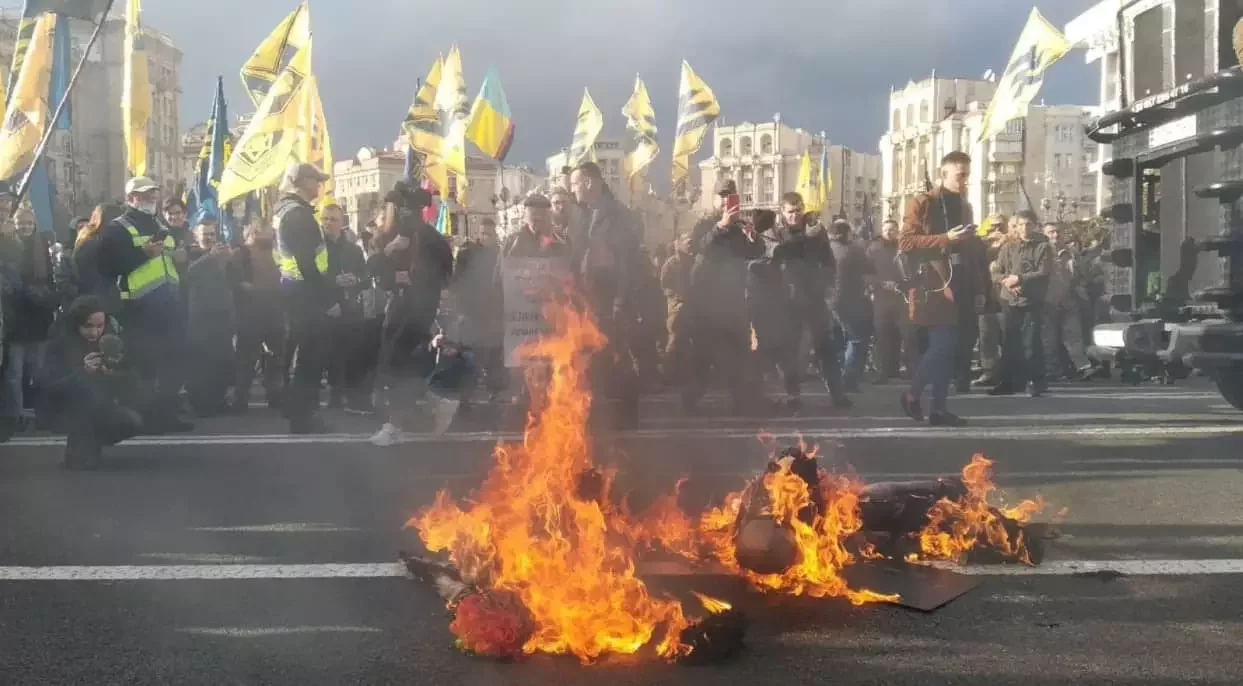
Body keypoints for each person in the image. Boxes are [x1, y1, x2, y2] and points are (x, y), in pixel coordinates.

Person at [94, 177, 193, 432]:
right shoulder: (117, 228)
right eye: (143, 195)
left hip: (169, 306)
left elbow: (167, 261)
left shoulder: (160, 225)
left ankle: (166, 415)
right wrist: (142, 255)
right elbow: (107, 267)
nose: (150, 199)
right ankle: (147, 418)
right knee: (146, 368)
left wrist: (181, 259)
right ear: (130, 199)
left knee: (172, 364)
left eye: (152, 194)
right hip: (139, 309)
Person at [898, 151, 983, 426]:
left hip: (959, 283)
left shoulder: (965, 205)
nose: (965, 181)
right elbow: (907, 243)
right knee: (942, 345)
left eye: (967, 175)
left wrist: (980, 286)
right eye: (960, 175)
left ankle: (938, 409)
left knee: (950, 348)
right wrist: (946, 238)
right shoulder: (923, 202)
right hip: (931, 285)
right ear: (944, 174)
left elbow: (971, 250)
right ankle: (912, 395)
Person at [569, 161, 644, 428]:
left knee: (617, 355)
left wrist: (620, 302)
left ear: (589, 182)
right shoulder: (580, 214)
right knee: (590, 359)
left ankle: (627, 419)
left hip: (612, 300)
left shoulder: (619, 216)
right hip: (586, 300)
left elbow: (628, 263)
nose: (572, 190)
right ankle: (597, 417)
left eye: (575, 184)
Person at [763, 192, 852, 412]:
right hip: (787, 299)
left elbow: (828, 260)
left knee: (826, 346)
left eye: (798, 210)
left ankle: (837, 393)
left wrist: (828, 283)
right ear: (782, 212)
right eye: (790, 211)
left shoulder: (815, 229)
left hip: (814, 296)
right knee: (790, 350)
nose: (795, 216)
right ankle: (793, 394)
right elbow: (777, 253)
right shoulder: (773, 231)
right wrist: (805, 238)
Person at [38, 295, 144, 469]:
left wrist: (113, 373)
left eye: (99, 326)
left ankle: (89, 443)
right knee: (81, 462)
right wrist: (83, 372)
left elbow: (132, 382)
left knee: (132, 420)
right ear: (76, 323)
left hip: (99, 406)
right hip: (65, 409)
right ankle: (79, 446)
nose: (94, 332)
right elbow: (49, 387)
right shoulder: (59, 345)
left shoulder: (110, 342)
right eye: (88, 326)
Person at [274, 163, 336, 433]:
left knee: (300, 354)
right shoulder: (297, 214)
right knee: (309, 357)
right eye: (315, 181)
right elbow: (306, 262)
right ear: (300, 182)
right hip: (305, 293)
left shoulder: (286, 210)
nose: (318, 187)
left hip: (294, 290)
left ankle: (295, 408)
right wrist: (326, 299)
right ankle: (303, 415)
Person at [1, 208, 54, 432]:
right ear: (14, 224)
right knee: (14, 374)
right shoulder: (7, 246)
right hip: (15, 320)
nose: (25, 227)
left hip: (38, 318)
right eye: (21, 223)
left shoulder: (41, 247)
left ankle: (39, 413)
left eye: (29, 224)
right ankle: (16, 415)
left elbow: (50, 279)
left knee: (38, 371)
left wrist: (47, 297)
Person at [990, 209, 1052, 397]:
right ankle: (1009, 381)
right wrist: (1006, 282)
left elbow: (1043, 271)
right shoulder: (1009, 247)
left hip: (1031, 301)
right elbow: (996, 271)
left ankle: (1035, 381)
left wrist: (1020, 278)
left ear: (1035, 225)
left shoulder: (1042, 246)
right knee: (1009, 343)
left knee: (1031, 343)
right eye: (1021, 225)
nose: (1025, 228)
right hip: (1010, 300)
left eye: (1029, 224)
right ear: (1015, 227)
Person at [184, 215, 238, 416]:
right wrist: (210, 257)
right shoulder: (191, 254)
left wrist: (232, 260)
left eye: (212, 234)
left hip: (222, 317)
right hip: (201, 318)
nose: (209, 238)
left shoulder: (222, 256)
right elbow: (189, 274)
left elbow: (235, 281)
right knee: (202, 363)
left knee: (222, 361)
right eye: (205, 234)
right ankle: (200, 403)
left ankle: (218, 399)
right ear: (196, 236)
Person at [232, 220, 286, 412]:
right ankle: (241, 398)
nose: (271, 234)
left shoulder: (278, 251)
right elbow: (234, 280)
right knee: (246, 359)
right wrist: (245, 287)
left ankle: (275, 395)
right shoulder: (241, 253)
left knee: (275, 358)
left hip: (274, 311)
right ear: (253, 233)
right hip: (250, 313)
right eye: (266, 231)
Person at [322, 203, 370, 410]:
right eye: (325, 219)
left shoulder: (353, 250)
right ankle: (334, 393)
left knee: (351, 352)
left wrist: (355, 280)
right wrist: (334, 282)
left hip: (351, 308)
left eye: (333, 219)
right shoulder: (317, 249)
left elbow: (367, 278)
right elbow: (312, 278)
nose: (328, 223)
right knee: (330, 353)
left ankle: (351, 395)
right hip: (327, 307)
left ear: (342, 223)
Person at [451, 217, 504, 403]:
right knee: (472, 352)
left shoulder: (500, 253)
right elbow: (457, 282)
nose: (486, 237)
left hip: (494, 309)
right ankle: (467, 391)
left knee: (494, 351)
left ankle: (494, 389)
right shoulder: (467, 254)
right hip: (472, 309)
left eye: (490, 234)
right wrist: (461, 307)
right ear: (478, 234)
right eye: (483, 233)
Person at [866, 219, 917, 382]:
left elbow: (914, 272)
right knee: (883, 335)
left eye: (893, 229)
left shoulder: (905, 250)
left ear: (898, 231)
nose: (889, 232)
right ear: (882, 231)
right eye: (886, 229)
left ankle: (910, 370)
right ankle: (884, 372)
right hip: (882, 297)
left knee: (907, 334)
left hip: (902, 296)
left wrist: (900, 284)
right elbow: (866, 272)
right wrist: (879, 284)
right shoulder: (873, 250)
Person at [1041, 221, 1092, 381]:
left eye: (1058, 232)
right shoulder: (1041, 253)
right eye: (1050, 232)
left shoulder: (1071, 253)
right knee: (1047, 338)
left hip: (1069, 301)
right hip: (1046, 301)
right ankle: (1051, 370)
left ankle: (1083, 367)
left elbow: (1083, 275)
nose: (1055, 235)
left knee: (1074, 336)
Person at [827, 219, 873, 392]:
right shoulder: (853, 250)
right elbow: (870, 270)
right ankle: (848, 378)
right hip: (848, 300)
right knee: (856, 339)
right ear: (846, 233)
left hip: (828, 302)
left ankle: (834, 376)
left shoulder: (827, 249)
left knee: (837, 341)